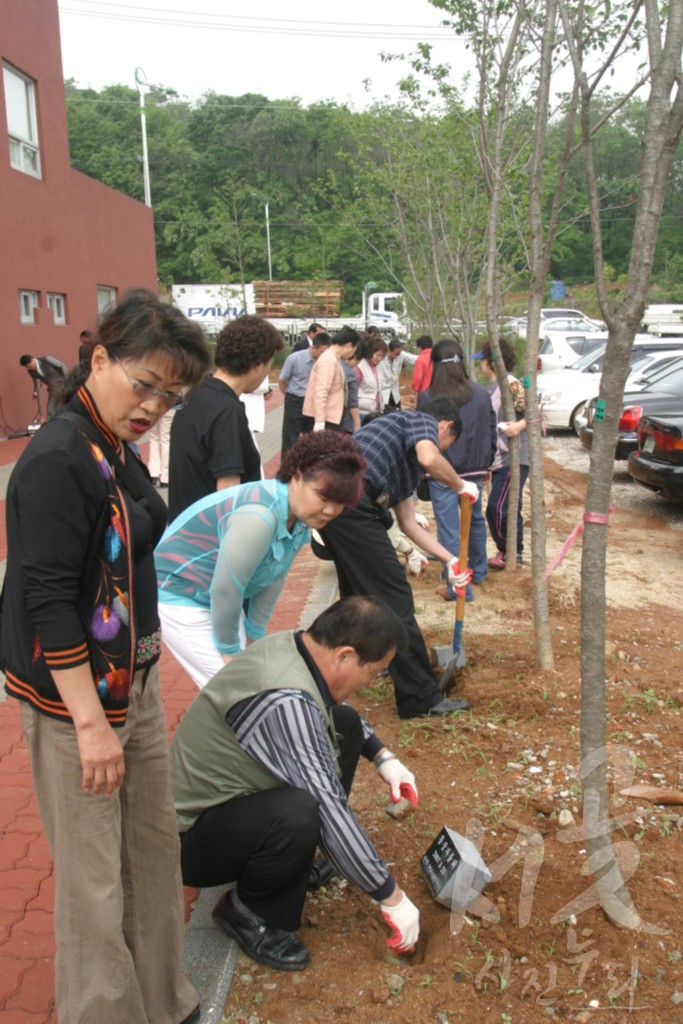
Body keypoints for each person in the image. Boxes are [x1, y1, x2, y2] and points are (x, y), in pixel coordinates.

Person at [2, 289, 211, 1024]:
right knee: (93, 883)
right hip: (75, 705)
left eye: (172, 395)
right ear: (99, 358)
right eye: (144, 383)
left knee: (152, 856)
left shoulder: (113, 441)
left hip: (136, 685)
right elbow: (46, 598)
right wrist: (90, 724)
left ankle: (165, 1001)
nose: (154, 403)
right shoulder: (59, 456)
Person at [169, 596, 421, 972]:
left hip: (230, 807)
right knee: (302, 811)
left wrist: (384, 759)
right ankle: (248, 913)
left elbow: (340, 716)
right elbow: (328, 807)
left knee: (344, 727)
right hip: (188, 839)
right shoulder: (286, 701)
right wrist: (392, 897)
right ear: (345, 657)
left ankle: (291, 863)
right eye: (375, 671)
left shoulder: (297, 645)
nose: (371, 683)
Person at [155, 433, 365, 688]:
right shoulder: (259, 517)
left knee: (248, 680)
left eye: (340, 503)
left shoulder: (298, 517)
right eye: (324, 497)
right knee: (232, 688)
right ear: (297, 476)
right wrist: (230, 651)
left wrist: (255, 634)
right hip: (180, 594)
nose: (331, 511)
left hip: (214, 595)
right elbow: (226, 589)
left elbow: (275, 576)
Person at [318, 400, 478, 719]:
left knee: (357, 600)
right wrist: (460, 485)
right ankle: (420, 698)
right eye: (448, 444)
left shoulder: (403, 467)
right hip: (350, 500)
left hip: (341, 501)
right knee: (395, 598)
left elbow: (407, 523)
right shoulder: (420, 421)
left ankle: (355, 663)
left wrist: (449, 561)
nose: (442, 450)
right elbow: (430, 457)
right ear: (444, 426)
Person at [168, 315, 283, 520]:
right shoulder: (227, 412)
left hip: (185, 530)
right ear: (257, 365)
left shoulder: (196, 393)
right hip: (212, 542)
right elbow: (228, 495)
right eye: (268, 366)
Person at [418, 339, 497, 596]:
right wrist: (488, 463)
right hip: (474, 469)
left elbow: (421, 437)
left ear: (435, 366)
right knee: (475, 521)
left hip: (442, 471)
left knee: (449, 527)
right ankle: (479, 571)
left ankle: (457, 586)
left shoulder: (428, 396)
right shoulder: (482, 394)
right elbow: (491, 431)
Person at [477, 339, 529, 568]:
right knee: (508, 505)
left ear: (489, 361)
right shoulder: (493, 387)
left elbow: (536, 414)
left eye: (482, 360)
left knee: (498, 507)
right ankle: (510, 551)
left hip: (513, 458)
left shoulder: (511, 385)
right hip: (499, 459)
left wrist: (520, 425)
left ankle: (509, 549)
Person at [278, 333, 331, 454]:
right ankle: (287, 470)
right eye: (322, 352)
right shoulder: (294, 358)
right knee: (290, 439)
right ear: (313, 348)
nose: (324, 355)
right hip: (295, 401)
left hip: (314, 402)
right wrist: (288, 395)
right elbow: (282, 380)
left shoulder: (326, 362)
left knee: (313, 439)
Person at [303, 326, 360, 432]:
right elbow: (321, 391)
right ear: (349, 345)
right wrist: (320, 423)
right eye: (354, 350)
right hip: (326, 420)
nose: (352, 354)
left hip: (331, 418)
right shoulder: (329, 360)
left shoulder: (334, 358)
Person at [19, 352, 67, 419]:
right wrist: (35, 393)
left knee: (53, 406)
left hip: (62, 383)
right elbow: (36, 382)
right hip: (52, 388)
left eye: (29, 365)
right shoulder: (30, 371)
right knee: (52, 408)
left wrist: (67, 380)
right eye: (26, 367)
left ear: (33, 359)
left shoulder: (47, 359)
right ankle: (53, 422)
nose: (29, 368)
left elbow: (62, 366)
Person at [355, 333, 388, 420]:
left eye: (382, 356)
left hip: (376, 411)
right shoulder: (360, 367)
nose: (379, 358)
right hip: (362, 412)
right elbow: (353, 391)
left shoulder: (378, 367)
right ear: (370, 352)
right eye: (377, 355)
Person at [377, 339, 417, 410]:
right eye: (394, 354)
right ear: (389, 349)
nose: (396, 356)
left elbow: (414, 359)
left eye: (398, 354)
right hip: (383, 393)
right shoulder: (380, 357)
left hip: (395, 393)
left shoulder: (400, 355)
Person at [147, 406, 176, 487]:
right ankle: (165, 476)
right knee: (165, 439)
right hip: (168, 404)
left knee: (154, 438)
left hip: (153, 404)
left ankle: (153, 472)